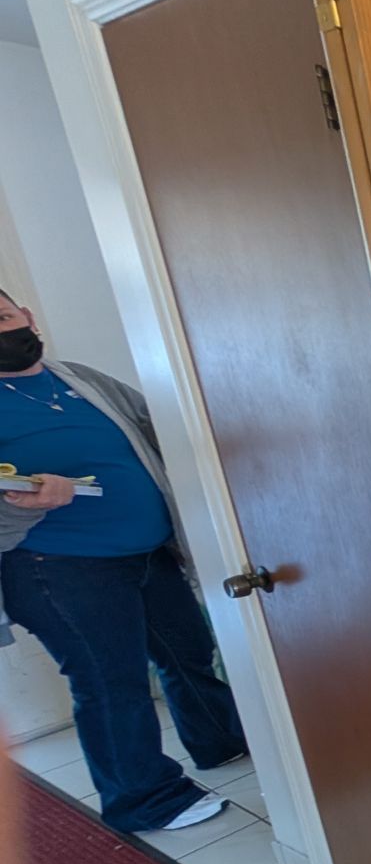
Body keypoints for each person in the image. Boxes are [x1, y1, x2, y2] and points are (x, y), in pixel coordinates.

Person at [0, 289, 247, 832]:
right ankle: (144, 800)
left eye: (3, 317)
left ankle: (220, 739)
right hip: (56, 568)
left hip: (148, 552)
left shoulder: (79, 379)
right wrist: (22, 503)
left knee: (188, 652)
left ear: (26, 317)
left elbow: (158, 424)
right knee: (111, 680)